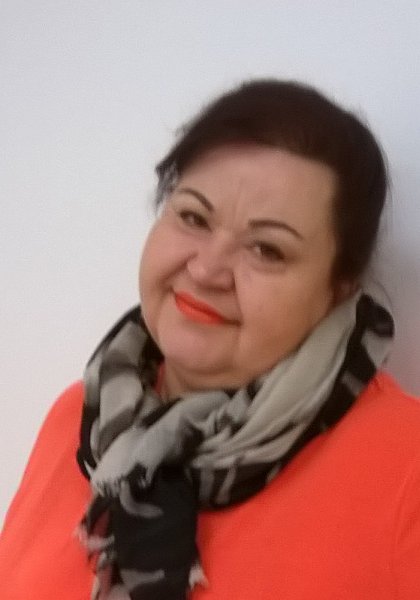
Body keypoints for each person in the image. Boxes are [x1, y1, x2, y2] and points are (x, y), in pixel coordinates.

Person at [1, 79, 420, 600]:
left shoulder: (406, 467)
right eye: (193, 217)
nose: (206, 270)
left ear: (338, 288)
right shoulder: (79, 418)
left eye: (267, 250)